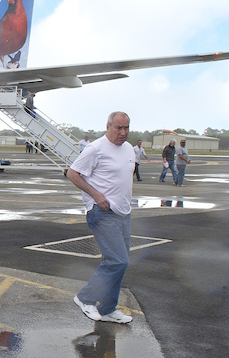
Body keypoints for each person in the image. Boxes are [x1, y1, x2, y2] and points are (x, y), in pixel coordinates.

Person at [67, 111, 135, 324]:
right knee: (117, 260)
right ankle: (85, 298)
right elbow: (72, 173)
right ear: (108, 127)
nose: (123, 132)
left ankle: (107, 309)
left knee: (119, 264)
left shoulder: (129, 148)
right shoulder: (95, 148)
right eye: (118, 128)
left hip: (123, 213)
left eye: (126, 128)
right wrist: (96, 195)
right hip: (102, 212)